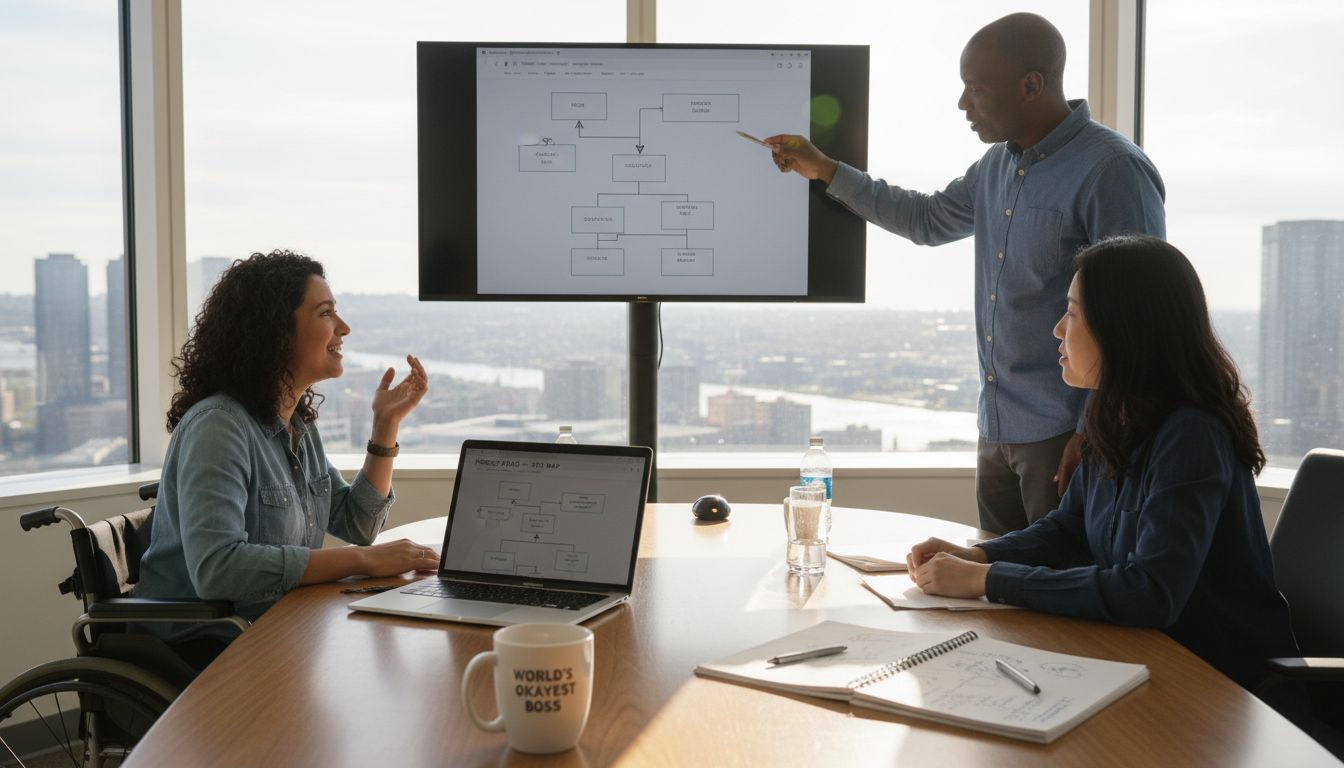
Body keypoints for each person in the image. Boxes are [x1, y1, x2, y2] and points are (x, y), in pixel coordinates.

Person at [766, 13, 1166, 534]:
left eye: (975, 89)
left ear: (1030, 85)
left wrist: (1092, 433)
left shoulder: (1113, 171)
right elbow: (926, 219)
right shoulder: (997, 166)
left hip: (1068, 436)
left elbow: (1140, 320)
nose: (962, 104)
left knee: (1060, 595)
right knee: (997, 594)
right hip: (996, 430)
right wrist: (825, 170)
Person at [905, 235, 1298, 690]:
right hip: (1144, 657)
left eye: (1071, 313)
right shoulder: (1111, 412)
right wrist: (976, 555)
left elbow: (1151, 593)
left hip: (1220, 686)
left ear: (1123, 329)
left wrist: (987, 579)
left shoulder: (1192, 435)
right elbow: (1068, 530)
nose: (1057, 329)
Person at [134, 250, 439, 667]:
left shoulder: (296, 424)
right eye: (326, 313)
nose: (344, 328)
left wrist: (385, 426)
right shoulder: (218, 427)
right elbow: (218, 570)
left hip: (280, 629)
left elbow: (358, 524)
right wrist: (362, 561)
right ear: (275, 331)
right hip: (210, 644)